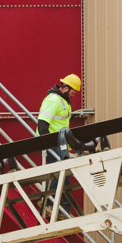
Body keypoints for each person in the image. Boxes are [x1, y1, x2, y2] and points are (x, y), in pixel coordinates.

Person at [37, 74, 81, 215]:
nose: (73, 96)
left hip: (59, 144)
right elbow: (42, 125)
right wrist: (47, 145)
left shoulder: (64, 101)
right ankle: (50, 203)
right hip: (50, 143)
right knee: (62, 172)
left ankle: (63, 209)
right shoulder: (53, 100)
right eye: (73, 93)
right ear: (66, 88)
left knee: (65, 173)